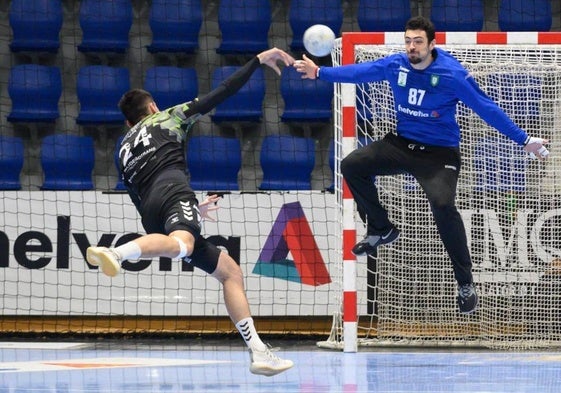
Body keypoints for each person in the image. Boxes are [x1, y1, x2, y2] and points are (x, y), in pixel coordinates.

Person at [294, 16, 550, 315]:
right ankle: (381, 227)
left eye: (418, 41)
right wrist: (320, 72)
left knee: (443, 205)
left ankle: (465, 282)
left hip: (440, 155)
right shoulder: (395, 65)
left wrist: (524, 140)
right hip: (402, 145)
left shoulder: (452, 74)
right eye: (408, 41)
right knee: (352, 165)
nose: (411, 47)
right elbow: (360, 72)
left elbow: (487, 108)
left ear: (432, 44)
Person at [86, 48, 295, 376]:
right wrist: (256, 60)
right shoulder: (167, 116)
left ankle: (258, 351)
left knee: (229, 272)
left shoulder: (122, 148)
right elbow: (222, 92)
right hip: (172, 190)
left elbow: (141, 198)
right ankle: (117, 252)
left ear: (128, 122)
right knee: (182, 243)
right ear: (152, 107)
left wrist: (188, 209)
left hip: (152, 208)